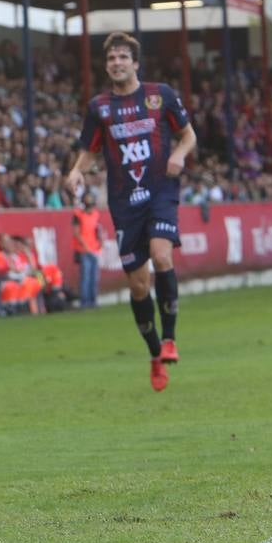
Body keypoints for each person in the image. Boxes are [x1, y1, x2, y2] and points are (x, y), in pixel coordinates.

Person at [67, 32, 196, 393]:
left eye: (123, 57)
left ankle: (170, 340)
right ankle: (156, 354)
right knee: (139, 286)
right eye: (111, 59)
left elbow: (188, 135)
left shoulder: (161, 95)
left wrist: (179, 155)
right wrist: (78, 169)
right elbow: (90, 151)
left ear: (136, 63)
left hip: (160, 192)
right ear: (107, 66)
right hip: (125, 204)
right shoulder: (99, 108)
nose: (117, 63)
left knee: (161, 255)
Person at [72, 192, 103, 309]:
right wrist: (86, 246)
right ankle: (85, 302)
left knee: (94, 277)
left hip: (94, 249)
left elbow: (97, 229)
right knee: (85, 277)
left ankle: (93, 300)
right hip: (84, 250)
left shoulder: (95, 214)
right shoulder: (78, 214)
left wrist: (100, 242)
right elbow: (76, 232)